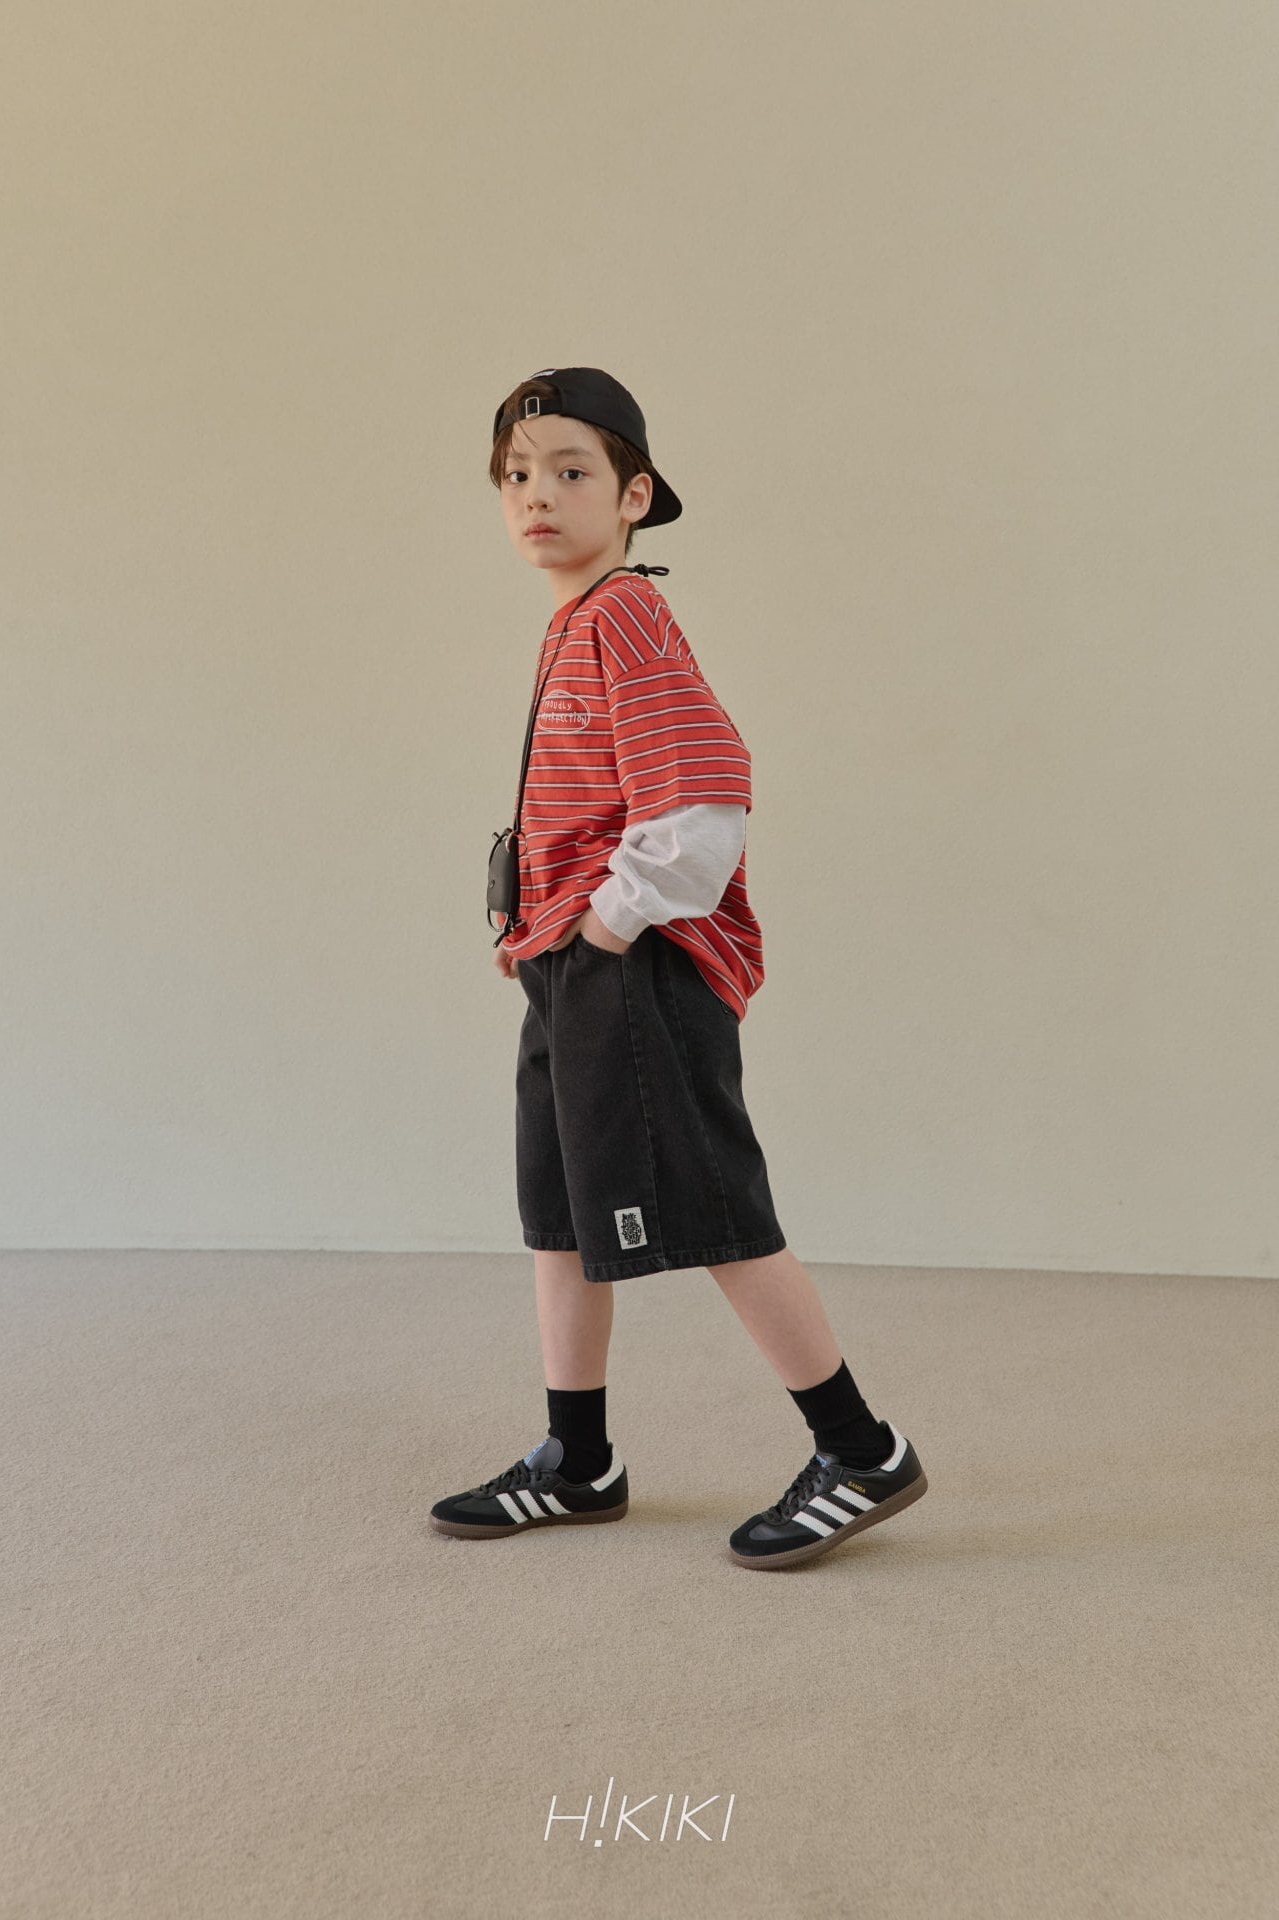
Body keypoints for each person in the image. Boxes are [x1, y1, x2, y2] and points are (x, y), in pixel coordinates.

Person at [430, 368, 927, 1569]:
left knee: (714, 1210)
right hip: (570, 969)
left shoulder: (625, 617)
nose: (536, 494)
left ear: (633, 495)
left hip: (634, 971)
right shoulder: (576, 622)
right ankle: (578, 1458)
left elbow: (702, 805)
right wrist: (540, 930)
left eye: (571, 471)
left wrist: (606, 926)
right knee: (558, 1215)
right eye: (515, 474)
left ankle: (860, 1449)